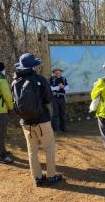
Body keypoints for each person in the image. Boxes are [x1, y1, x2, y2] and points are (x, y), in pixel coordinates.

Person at [12, 52, 62, 187]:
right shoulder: (39, 80)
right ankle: (51, 176)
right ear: (33, 66)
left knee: (32, 150)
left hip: (25, 122)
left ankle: (37, 178)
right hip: (42, 120)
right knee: (49, 147)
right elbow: (49, 99)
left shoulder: (15, 81)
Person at [49, 68, 69, 132]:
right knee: (55, 113)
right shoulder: (52, 79)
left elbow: (67, 87)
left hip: (62, 98)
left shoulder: (63, 78)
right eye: (56, 72)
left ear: (61, 72)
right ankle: (55, 128)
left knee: (63, 113)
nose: (57, 73)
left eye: (59, 71)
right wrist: (58, 87)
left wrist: (63, 87)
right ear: (54, 72)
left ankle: (63, 127)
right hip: (55, 98)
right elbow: (50, 87)